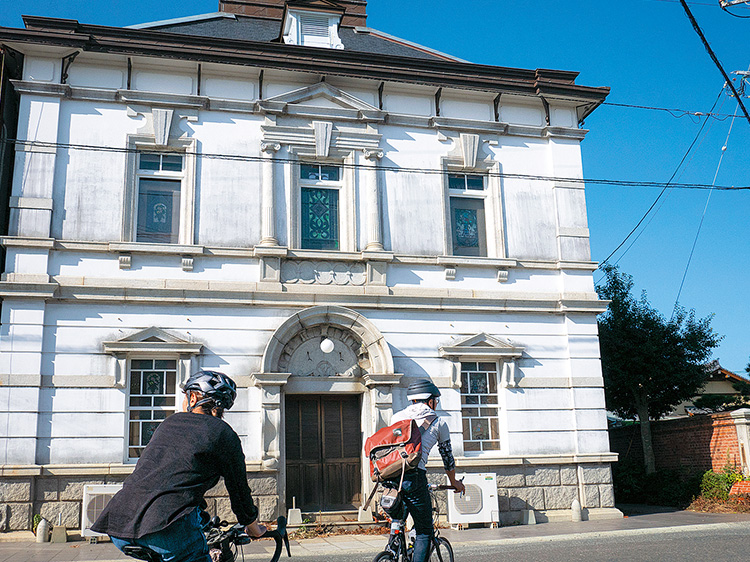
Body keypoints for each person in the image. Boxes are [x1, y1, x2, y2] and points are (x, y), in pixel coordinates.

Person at [92, 370, 266, 562]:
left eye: (185, 396)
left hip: (120, 522)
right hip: (167, 528)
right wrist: (253, 528)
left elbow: (168, 477)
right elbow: (239, 492)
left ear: (193, 398)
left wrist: (204, 520)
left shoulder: (168, 423)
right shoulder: (224, 435)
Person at [386, 379, 466, 562]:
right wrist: (454, 482)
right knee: (424, 531)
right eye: (435, 400)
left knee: (398, 520)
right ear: (429, 401)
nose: (436, 404)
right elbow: (447, 458)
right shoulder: (438, 423)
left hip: (391, 477)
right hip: (414, 477)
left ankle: (391, 549)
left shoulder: (396, 418)